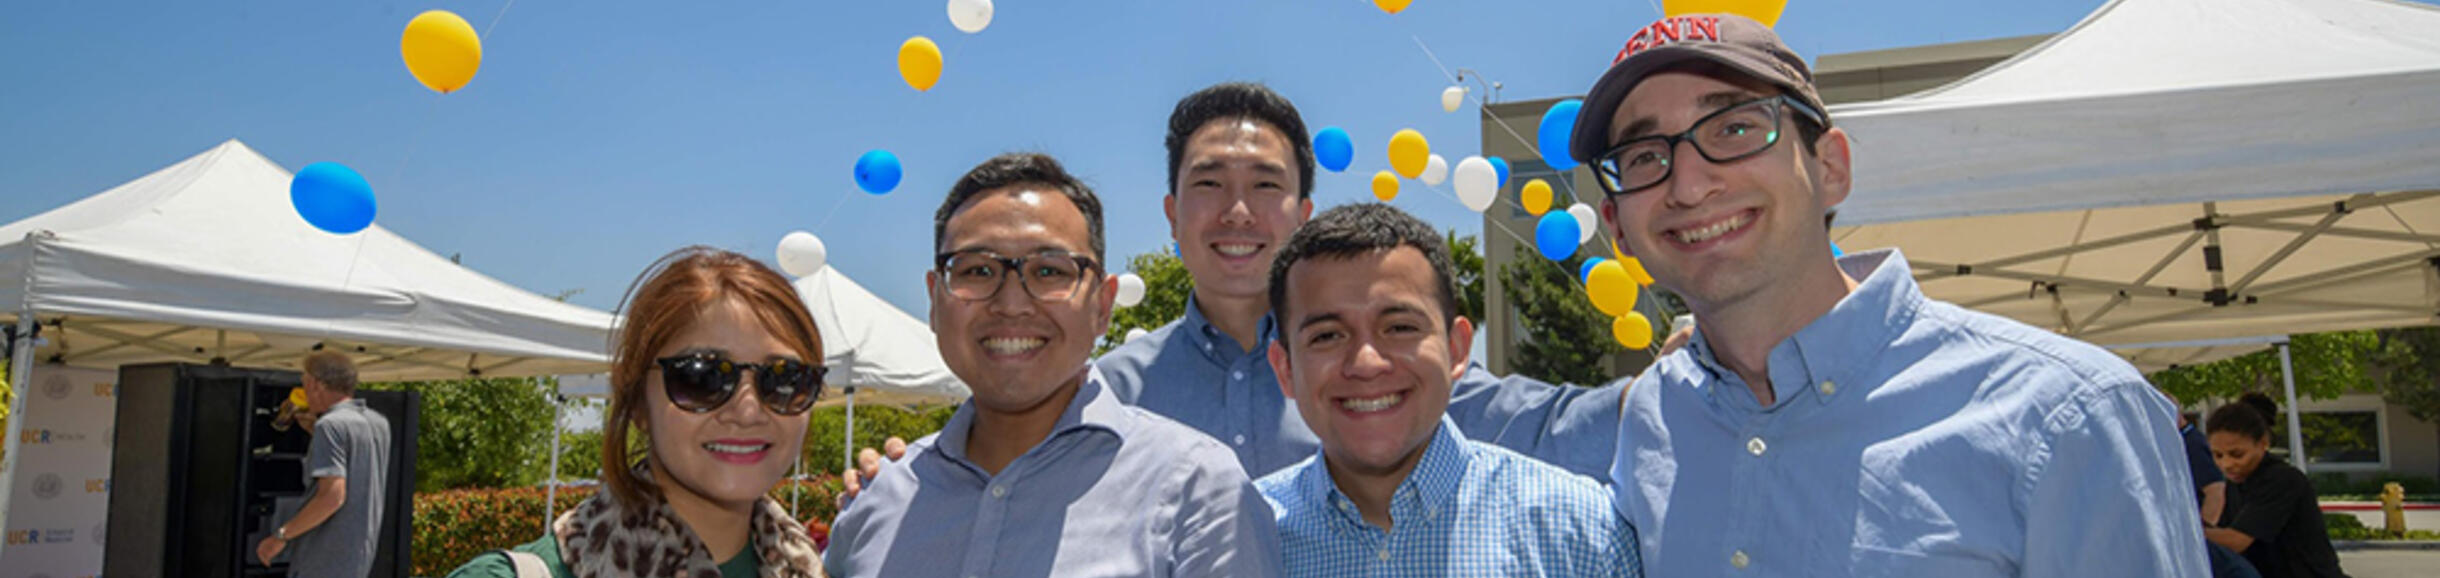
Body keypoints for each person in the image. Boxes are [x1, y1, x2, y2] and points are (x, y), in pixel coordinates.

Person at [1572, 13, 2206, 575]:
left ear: (1831, 169)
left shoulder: (2070, 417)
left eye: (1735, 128)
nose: (1688, 182)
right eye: (1642, 156)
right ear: (1618, 224)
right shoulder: (1655, 417)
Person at [1094, 81, 1624, 481]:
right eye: (1209, 183)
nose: (1237, 211)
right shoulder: (1109, 394)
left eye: (1264, 184)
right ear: (1171, 212)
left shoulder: (1383, 366)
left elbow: (1548, 425)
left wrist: (1685, 374)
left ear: (1303, 214)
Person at [823, 153, 1280, 577]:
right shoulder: (877, 501)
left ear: (1103, 305)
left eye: (1049, 271)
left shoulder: (1196, 493)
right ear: (934, 300)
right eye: (977, 270)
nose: (1011, 303)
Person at [1256, 203, 1640, 577]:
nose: (1367, 363)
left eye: (1400, 327)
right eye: (1327, 336)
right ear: (1285, 368)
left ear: (1456, 348)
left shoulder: (1583, 535)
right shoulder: (1243, 540)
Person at [445, 247, 827, 577]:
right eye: (702, 377)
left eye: (786, 379)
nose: (747, 411)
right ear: (638, 401)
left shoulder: (809, 567)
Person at [255, 351, 393, 577]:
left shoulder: (330, 426)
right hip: (357, 557)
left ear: (315, 384)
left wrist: (281, 535)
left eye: (303, 383)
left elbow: (332, 496)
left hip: (323, 559)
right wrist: (314, 434)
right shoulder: (378, 423)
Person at [2206, 402, 2352, 578]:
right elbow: (2222, 534)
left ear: (2263, 443)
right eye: (2218, 455)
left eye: (2237, 454)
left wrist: (2184, 533)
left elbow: (2236, 541)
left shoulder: (2281, 479)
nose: (2227, 464)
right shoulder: (2236, 483)